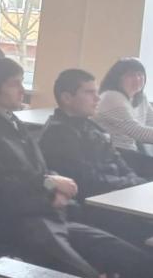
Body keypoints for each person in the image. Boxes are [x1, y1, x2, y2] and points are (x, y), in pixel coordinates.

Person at [0, 57, 153, 278]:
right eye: (15, 84)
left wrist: (55, 183)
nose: (22, 90)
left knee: (139, 263)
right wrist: (49, 190)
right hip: (19, 225)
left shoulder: (12, 123)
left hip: (51, 217)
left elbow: (40, 170)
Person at [40, 68, 152, 247]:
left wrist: (136, 183)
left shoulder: (92, 126)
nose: (97, 98)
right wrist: (134, 185)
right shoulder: (59, 134)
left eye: (96, 92)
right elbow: (88, 181)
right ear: (67, 98)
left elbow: (119, 163)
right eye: (89, 92)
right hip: (97, 209)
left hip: (118, 196)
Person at [94, 58, 153, 151]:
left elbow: (151, 122)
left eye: (140, 74)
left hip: (132, 150)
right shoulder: (111, 96)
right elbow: (137, 132)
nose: (137, 79)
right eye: (131, 75)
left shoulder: (140, 97)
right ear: (117, 78)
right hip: (114, 151)